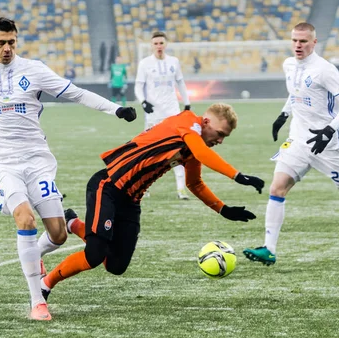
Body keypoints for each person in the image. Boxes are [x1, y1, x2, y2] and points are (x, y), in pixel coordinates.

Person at [0, 17, 137, 321]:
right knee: (24, 218)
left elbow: (75, 92)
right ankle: (37, 300)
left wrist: (115, 109)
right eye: (1, 43)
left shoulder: (34, 70)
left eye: (12, 42)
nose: (7, 48)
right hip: (1, 160)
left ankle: (35, 254)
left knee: (59, 235)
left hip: (37, 158)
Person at [40, 103, 265, 305]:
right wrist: (237, 176)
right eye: (220, 134)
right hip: (108, 186)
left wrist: (223, 210)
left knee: (116, 266)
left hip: (131, 201)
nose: (221, 141)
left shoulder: (193, 145)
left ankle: (73, 223)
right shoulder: (187, 122)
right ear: (206, 122)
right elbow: (202, 153)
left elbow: (194, 183)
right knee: (94, 255)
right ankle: (46, 284)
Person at [243, 22, 339, 265]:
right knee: (277, 188)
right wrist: (284, 114)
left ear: (314, 43)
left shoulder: (324, 70)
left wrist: (329, 130)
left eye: (304, 41)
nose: (298, 45)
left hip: (327, 145)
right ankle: (269, 249)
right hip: (297, 140)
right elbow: (295, 92)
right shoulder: (288, 64)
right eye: (295, 40)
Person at [135, 31, 192, 200]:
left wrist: (187, 103)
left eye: (161, 43)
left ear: (166, 44)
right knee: (149, 151)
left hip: (172, 113)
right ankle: (143, 187)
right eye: (155, 43)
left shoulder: (174, 62)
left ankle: (181, 189)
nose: (159, 46)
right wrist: (143, 102)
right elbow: (138, 86)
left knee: (177, 150)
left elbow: (180, 82)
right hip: (154, 114)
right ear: (151, 46)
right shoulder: (145, 63)